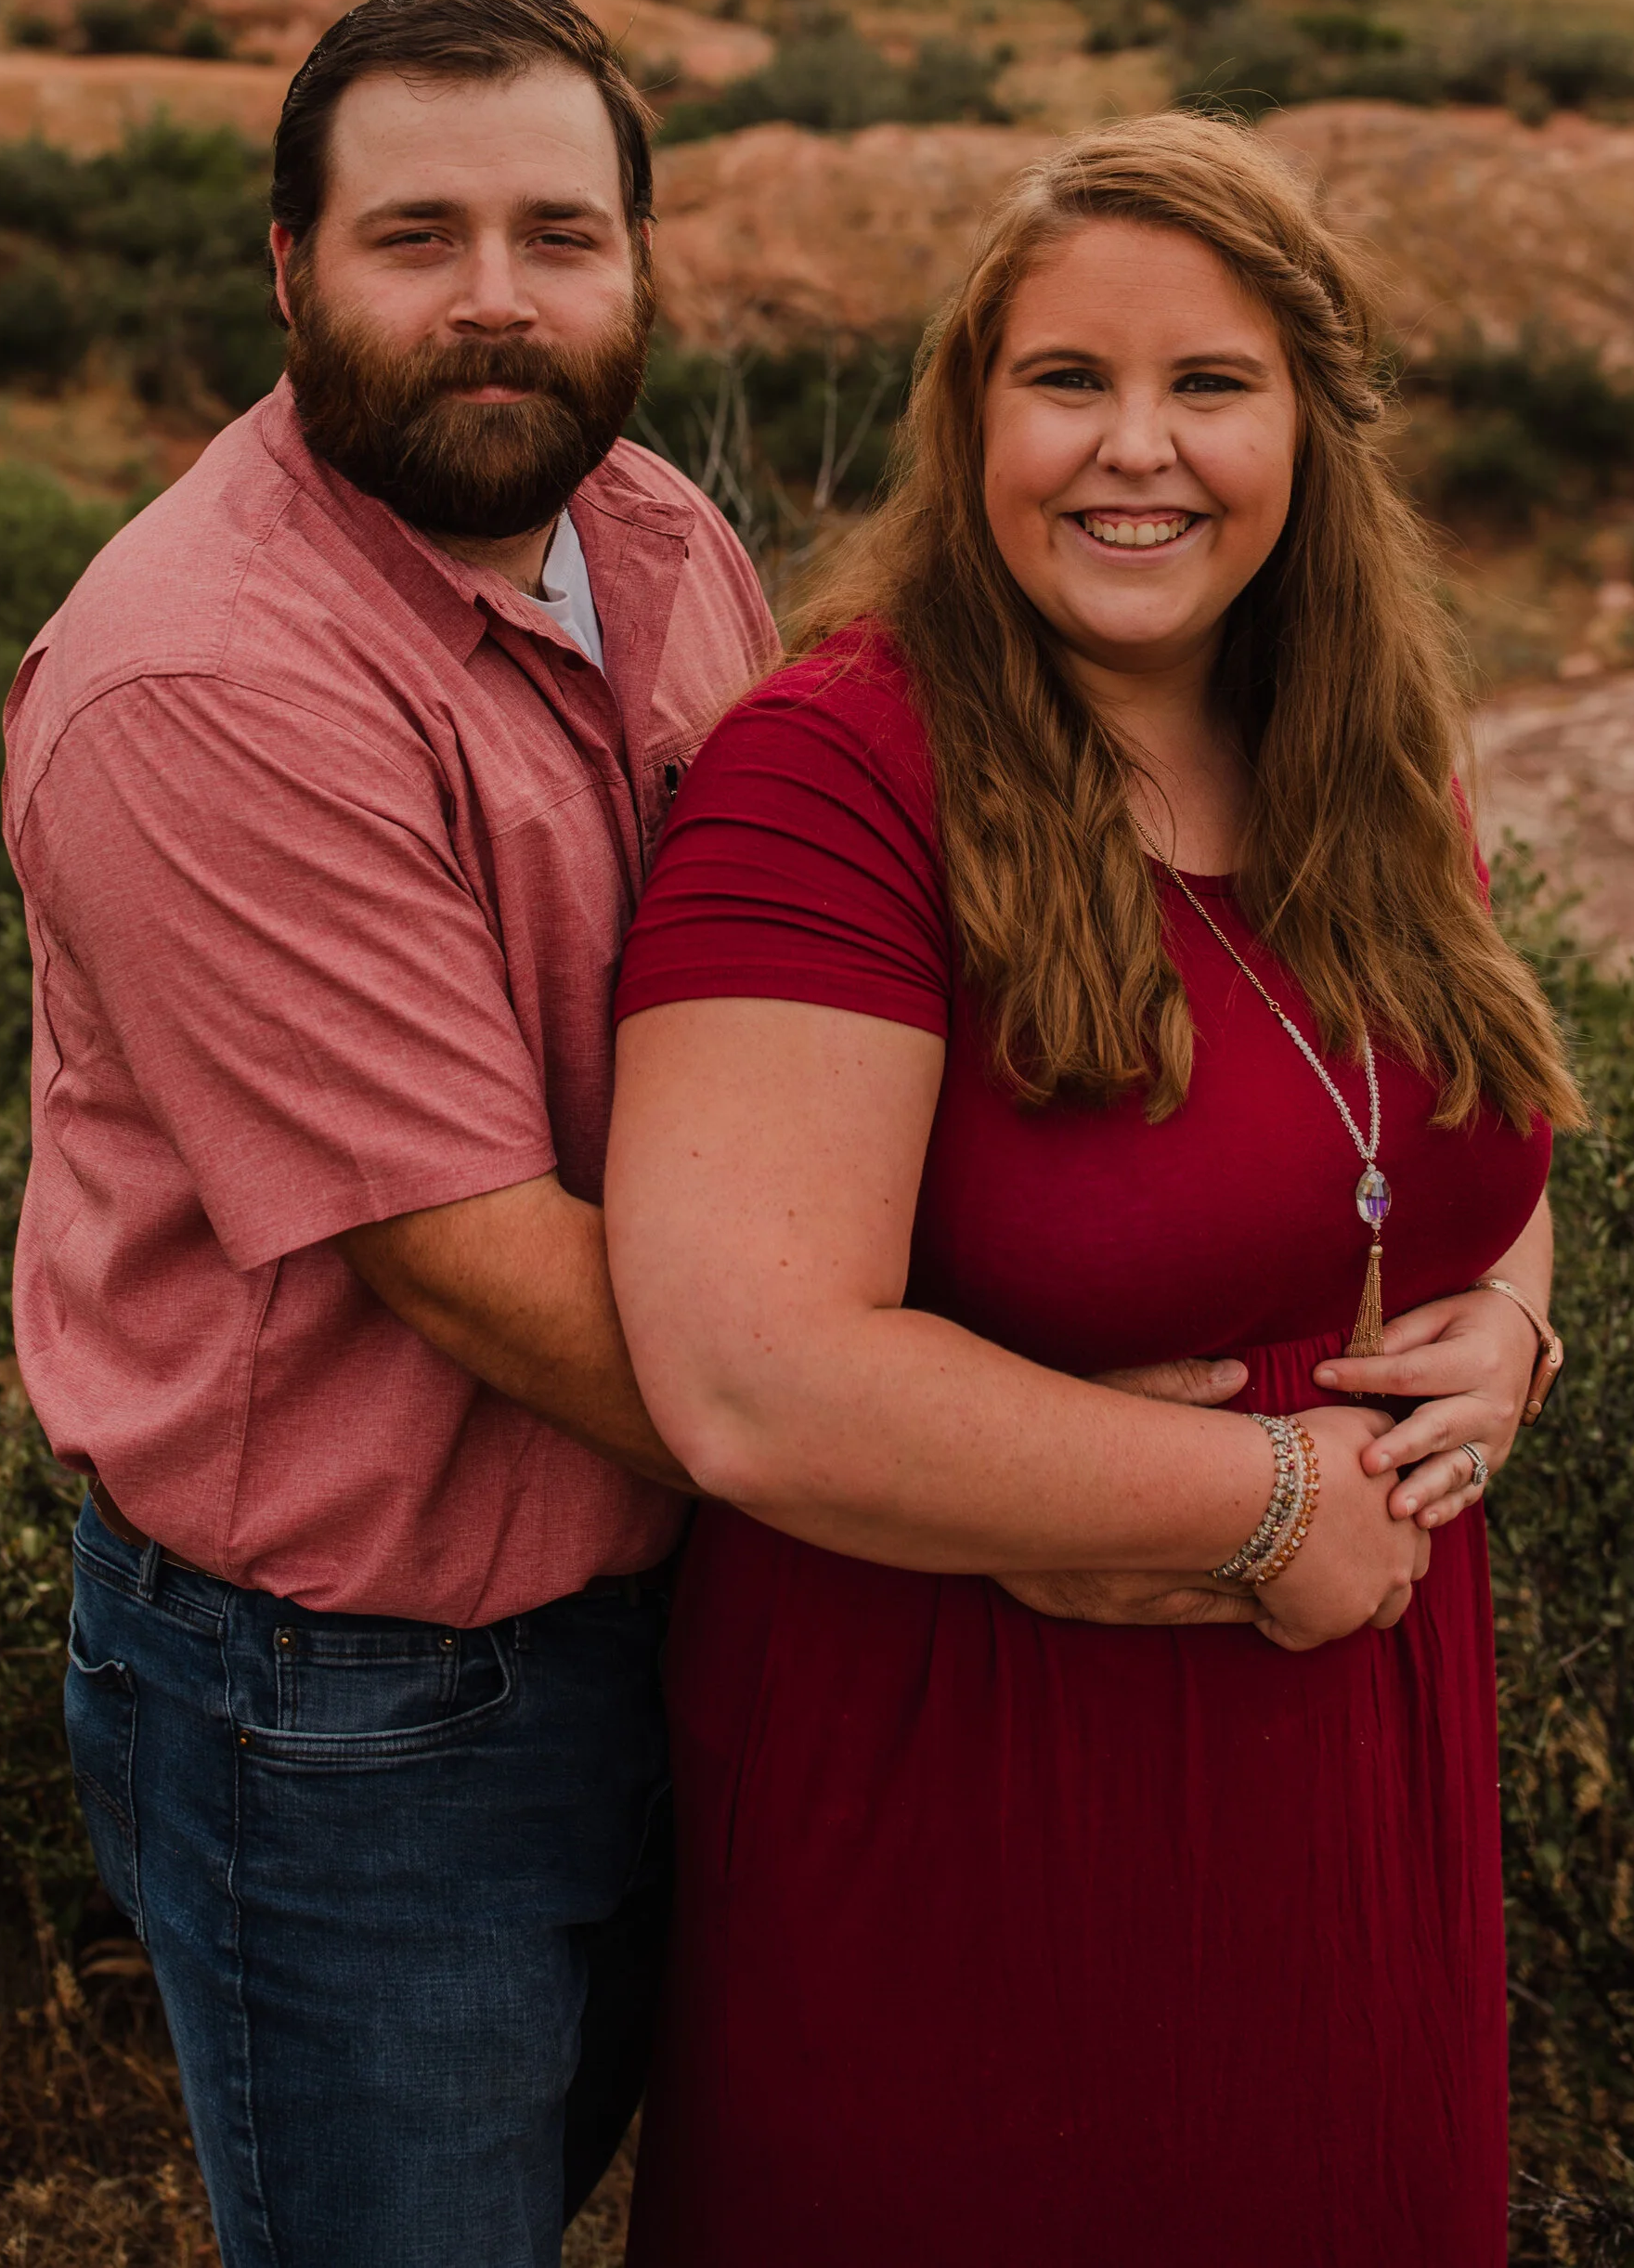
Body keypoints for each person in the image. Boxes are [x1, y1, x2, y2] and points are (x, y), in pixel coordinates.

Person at [604, 111, 1580, 2268]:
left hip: (1347, 1775)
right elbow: (749, 1379)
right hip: (977, 1793)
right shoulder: (835, 775)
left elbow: (1466, 1138)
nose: (1132, 451)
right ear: (969, 423)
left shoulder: (1365, 750)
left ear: (1309, 432)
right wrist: (1261, 1509)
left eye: (1207, 387)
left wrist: (1508, 1319)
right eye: (1065, 383)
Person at [4, 0, 776, 2268]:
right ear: (285, 270)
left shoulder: (650, 534)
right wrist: (972, 1463)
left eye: (559, 234)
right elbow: (473, 1262)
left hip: (680, 1602)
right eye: (414, 237)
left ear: (638, 262)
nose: (495, 304)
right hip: (350, 1713)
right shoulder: (202, 679)